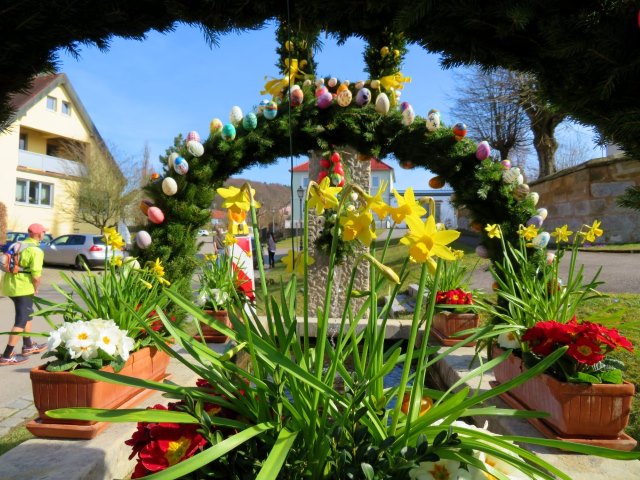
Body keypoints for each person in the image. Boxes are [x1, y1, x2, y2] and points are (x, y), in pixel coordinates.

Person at [0, 223, 48, 366]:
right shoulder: (36, 251)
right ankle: (7, 355)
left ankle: (28, 345)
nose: (44, 235)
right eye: (44, 232)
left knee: (28, 314)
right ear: (39, 235)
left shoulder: (17, 244)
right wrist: (36, 287)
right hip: (23, 288)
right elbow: (36, 276)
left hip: (10, 285)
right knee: (21, 320)